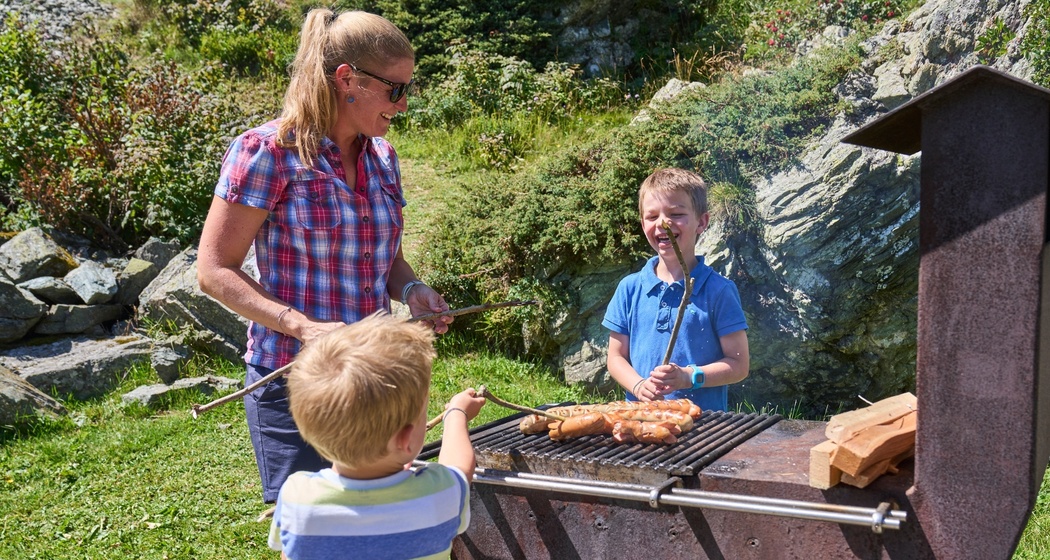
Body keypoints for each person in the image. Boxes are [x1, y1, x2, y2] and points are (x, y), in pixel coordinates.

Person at [197, 8, 452, 504]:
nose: (402, 106)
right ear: (346, 79)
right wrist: (302, 327)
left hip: (375, 382)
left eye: (408, 89)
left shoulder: (383, 157)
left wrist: (413, 290)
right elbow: (213, 270)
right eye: (395, 90)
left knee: (380, 525)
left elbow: (386, 260)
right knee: (314, 531)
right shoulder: (265, 151)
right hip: (295, 381)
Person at [267, 312, 486, 560]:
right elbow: (459, 467)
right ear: (405, 438)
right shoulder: (438, 494)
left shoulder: (298, 498)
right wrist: (457, 413)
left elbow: (290, 554)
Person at [601, 168, 750, 412]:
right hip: (641, 420)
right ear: (642, 224)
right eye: (652, 217)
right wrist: (638, 385)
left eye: (676, 213)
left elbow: (738, 364)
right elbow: (615, 357)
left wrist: (689, 376)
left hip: (703, 426)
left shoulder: (719, 291)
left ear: (701, 222)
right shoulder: (629, 288)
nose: (663, 223)